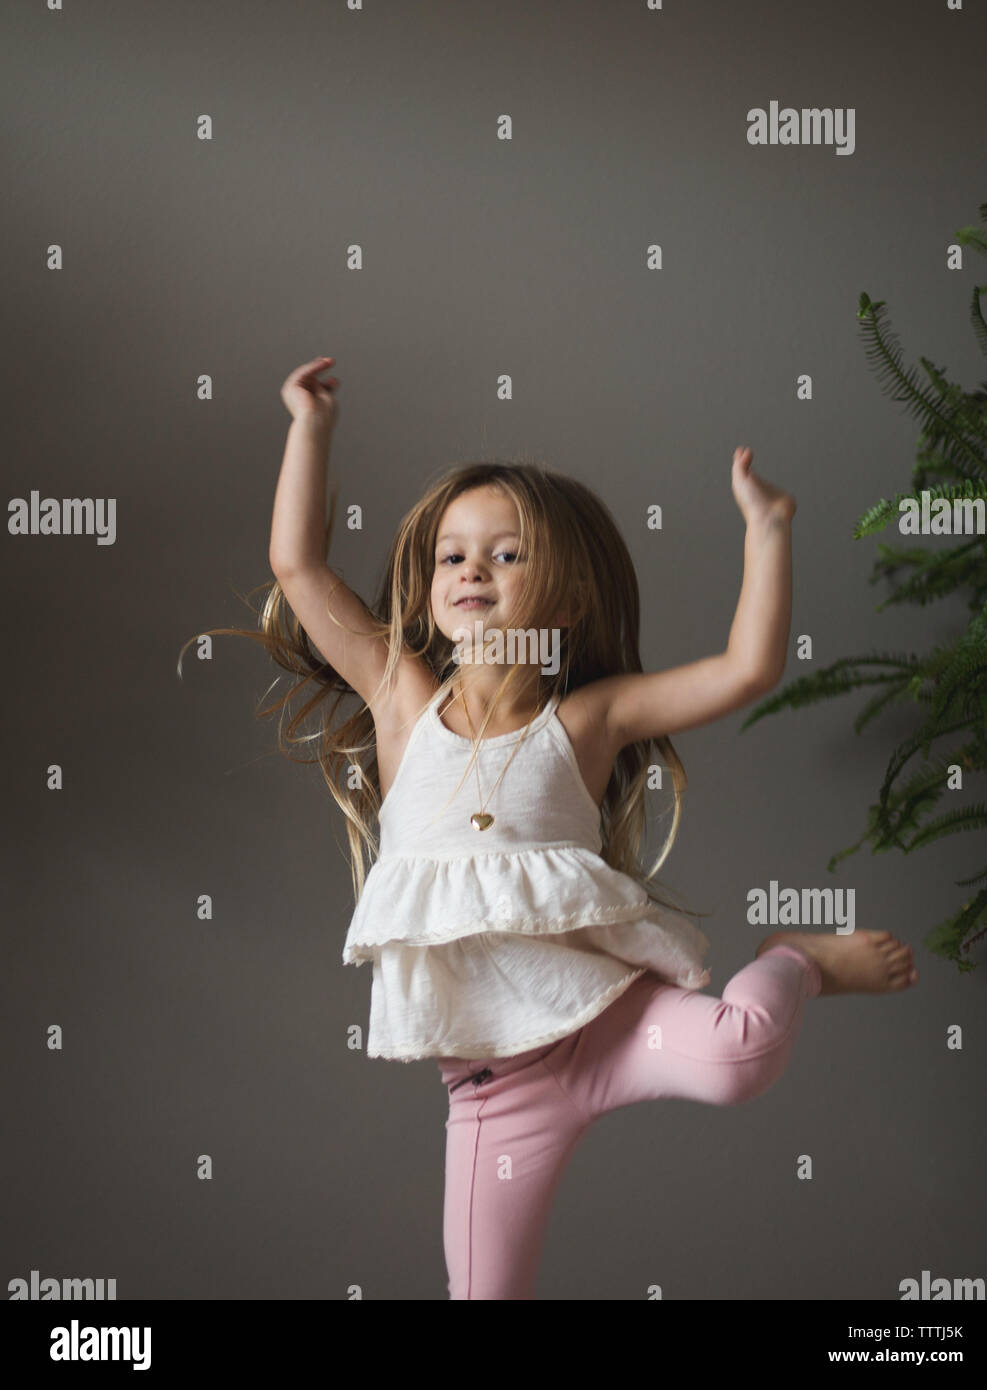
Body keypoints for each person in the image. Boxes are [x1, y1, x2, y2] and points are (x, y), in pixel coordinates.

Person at [194, 355, 919, 1300]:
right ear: (426, 590)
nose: (473, 571)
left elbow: (745, 669)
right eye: (453, 554)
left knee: (740, 1057)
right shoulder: (399, 696)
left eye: (506, 553)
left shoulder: (588, 720)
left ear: (567, 599)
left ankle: (798, 959)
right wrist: (310, 425)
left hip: (607, 1022)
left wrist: (766, 532)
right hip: (499, 1094)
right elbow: (295, 563)